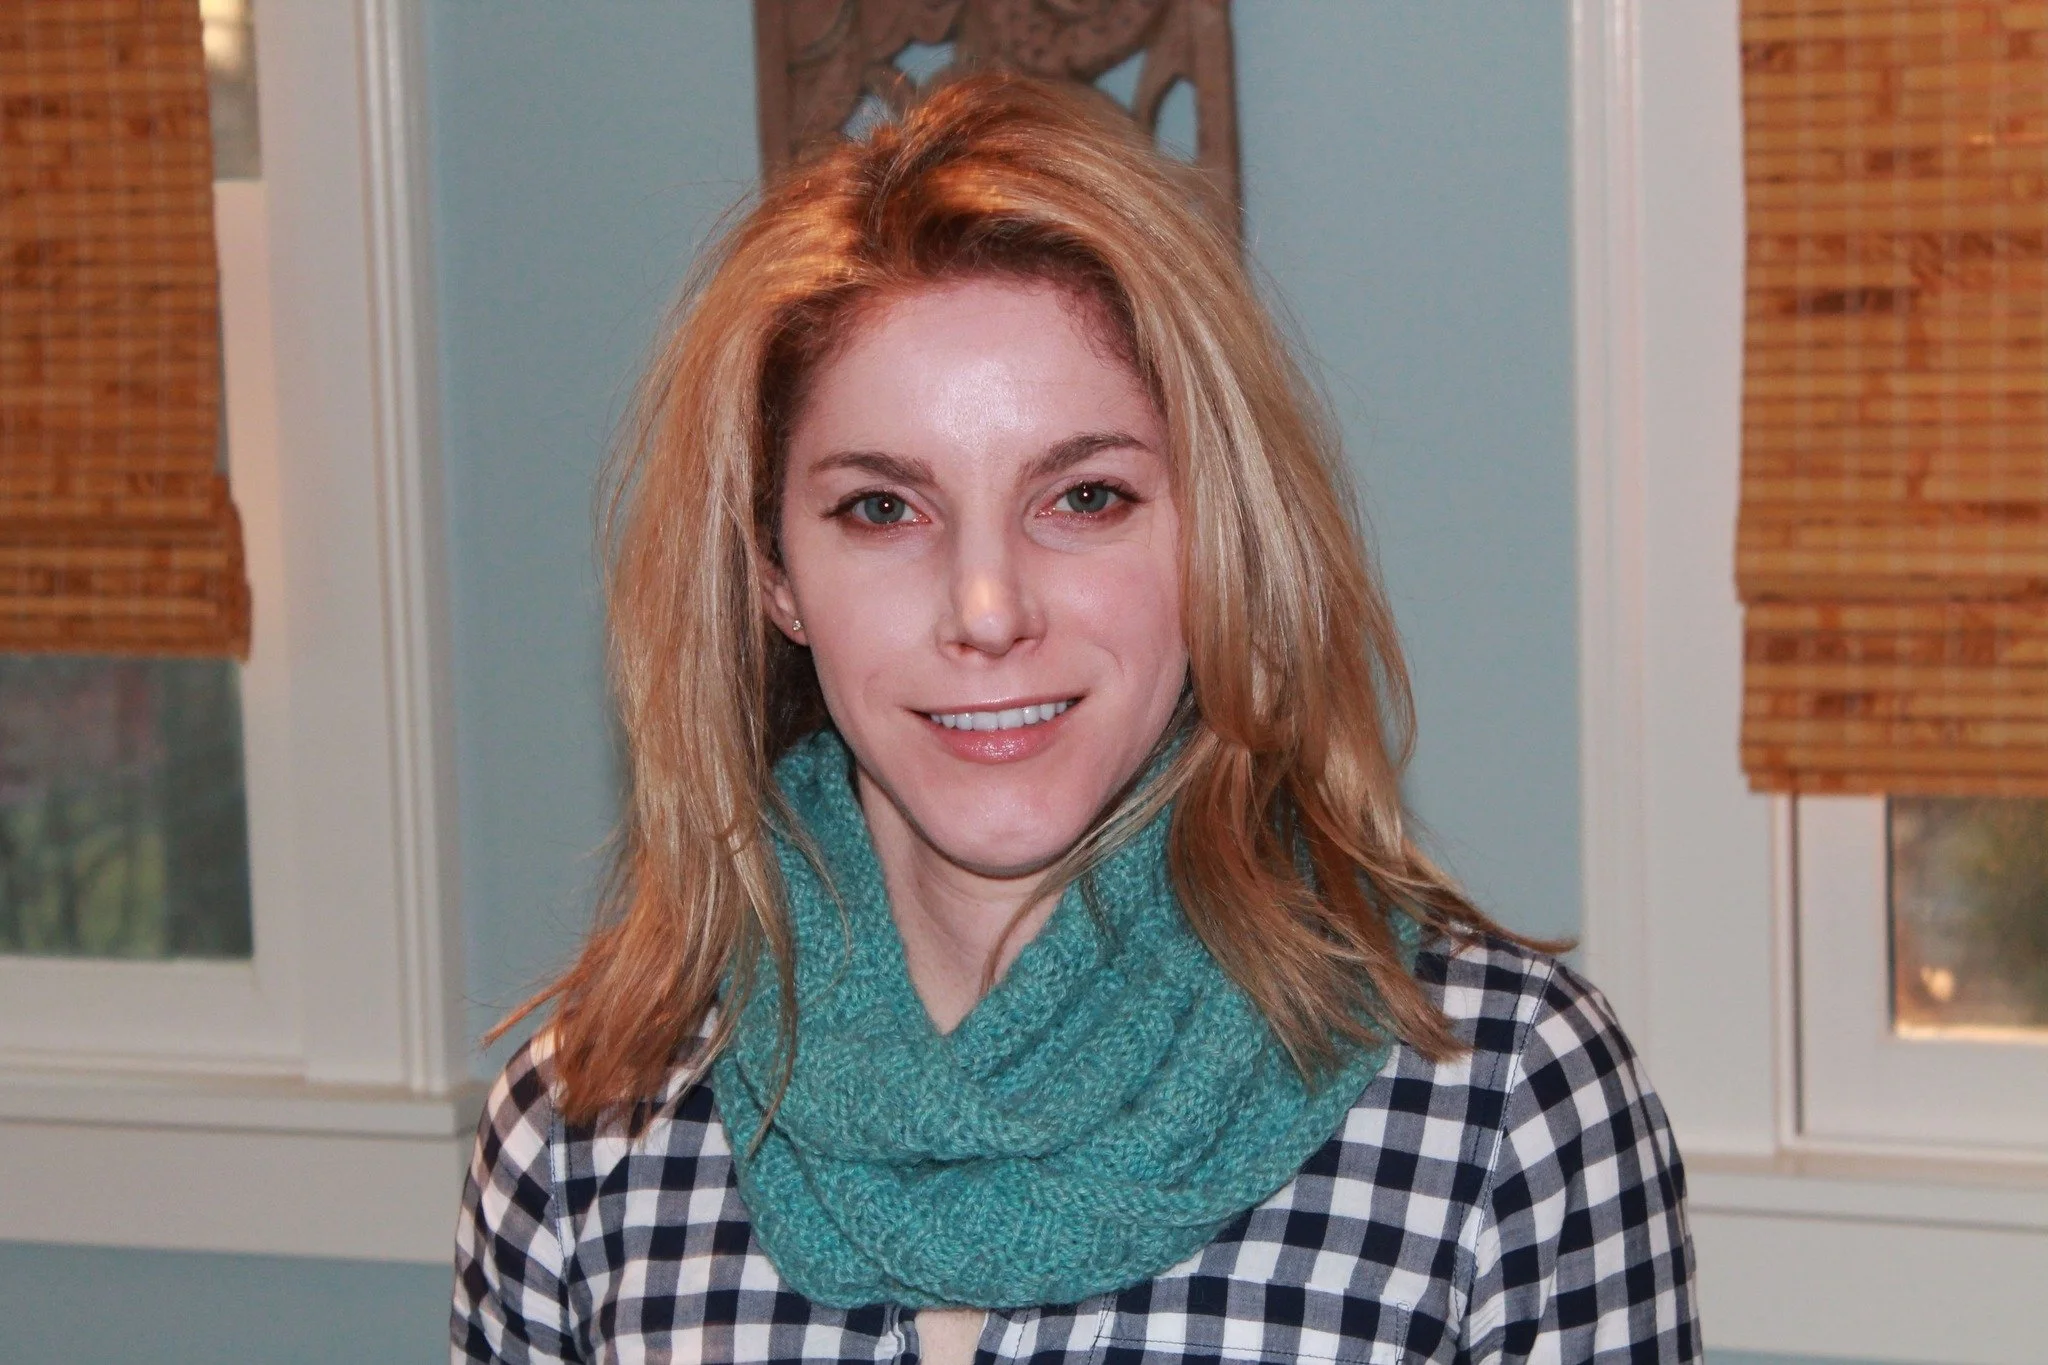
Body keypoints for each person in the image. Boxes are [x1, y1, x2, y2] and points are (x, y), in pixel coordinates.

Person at [451, 70, 1699, 1364]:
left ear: (1215, 534)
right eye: (883, 508)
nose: (987, 611)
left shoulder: (1498, 1103)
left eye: (1086, 498)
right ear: (773, 572)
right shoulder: (590, 1125)